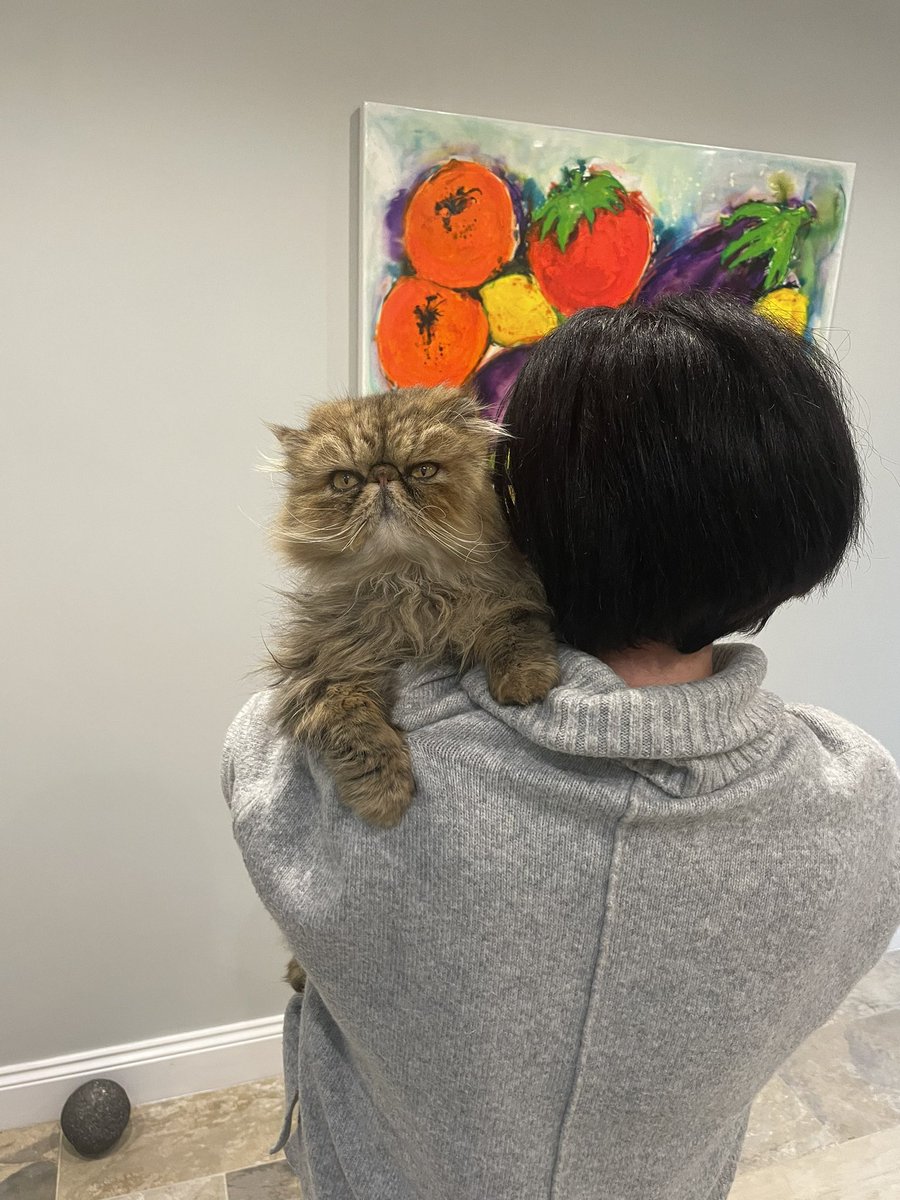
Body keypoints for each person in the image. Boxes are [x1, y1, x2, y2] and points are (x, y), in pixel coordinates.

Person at [221, 294, 900, 1200]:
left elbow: (272, 737)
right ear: (808, 538)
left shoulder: (287, 770)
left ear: (522, 513)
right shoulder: (863, 800)